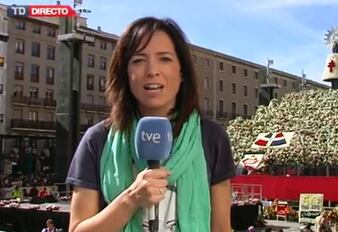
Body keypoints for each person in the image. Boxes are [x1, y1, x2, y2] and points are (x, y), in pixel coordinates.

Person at [66, 17, 235, 232]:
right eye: (138, 60)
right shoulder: (97, 139)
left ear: (181, 71)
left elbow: (221, 228)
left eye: (164, 59)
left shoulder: (211, 137)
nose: (152, 70)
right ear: (125, 73)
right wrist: (131, 198)